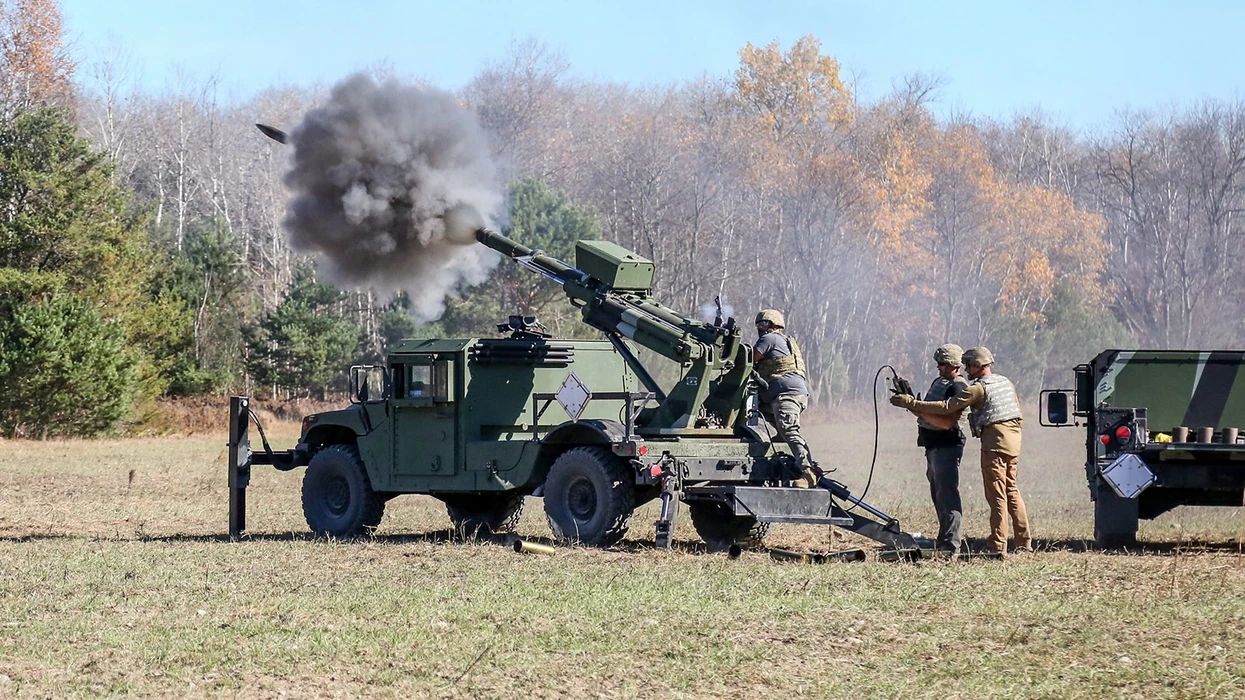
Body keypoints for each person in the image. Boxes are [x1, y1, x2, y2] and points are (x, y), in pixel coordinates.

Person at [890, 346, 1032, 554]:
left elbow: (948, 409)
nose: (966, 369)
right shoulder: (1004, 382)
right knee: (1011, 490)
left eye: (968, 366)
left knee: (997, 496)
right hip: (1012, 442)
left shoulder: (976, 388)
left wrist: (913, 403)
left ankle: (997, 545)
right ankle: (1023, 542)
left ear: (977, 366)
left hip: (994, 444)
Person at [752, 309, 819, 488]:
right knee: (754, 414)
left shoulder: (769, 339)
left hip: (785, 394)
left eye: (764, 324)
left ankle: (808, 471)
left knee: (789, 429)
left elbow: (749, 360)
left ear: (774, 325)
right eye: (758, 324)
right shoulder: (786, 341)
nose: (760, 328)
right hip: (791, 394)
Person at [913, 343, 969, 552]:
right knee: (938, 494)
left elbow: (947, 422)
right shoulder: (940, 382)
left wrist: (915, 407)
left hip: (947, 445)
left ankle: (951, 544)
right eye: (939, 364)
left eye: (944, 364)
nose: (940, 368)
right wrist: (912, 406)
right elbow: (927, 412)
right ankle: (944, 539)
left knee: (947, 495)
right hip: (933, 445)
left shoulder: (958, 387)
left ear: (955, 364)